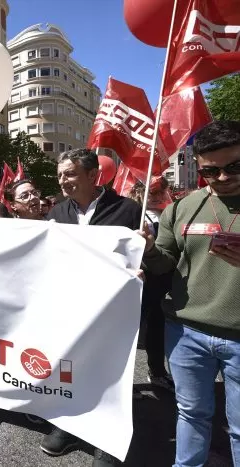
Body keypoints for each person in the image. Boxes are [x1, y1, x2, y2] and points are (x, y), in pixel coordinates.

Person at [139, 121, 240, 467]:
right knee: (191, 414)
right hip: (187, 333)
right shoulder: (182, 207)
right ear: (199, 166)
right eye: (211, 170)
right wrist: (149, 250)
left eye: (234, 167)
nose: (223, 177)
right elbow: (164, 263)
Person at [41, 148, 142, 467]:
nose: (62, 180)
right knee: (72, 368)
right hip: (71, 308)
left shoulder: (128, 210)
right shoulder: (57, 213)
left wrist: (145, 260)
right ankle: (70, 427)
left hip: (113, 311)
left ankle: (107, 441)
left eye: (69, 174)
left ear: (92, 175)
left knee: (111, 372)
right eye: (60, 175)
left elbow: (147, 256)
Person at [128, 179, 175, 393]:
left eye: (160, 191)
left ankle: (157, 372)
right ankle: (121, 380)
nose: (155, 196)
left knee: (158, 329)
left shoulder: (170, 213)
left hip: (164, 281)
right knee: (130, 331)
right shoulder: (134, 214)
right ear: (139, 192)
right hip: (141, 281)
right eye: (150, 192)